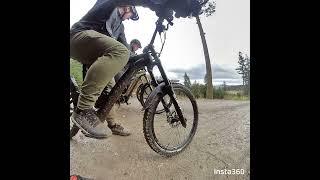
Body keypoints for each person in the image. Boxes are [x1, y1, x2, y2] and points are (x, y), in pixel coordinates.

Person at [70, 0, 204, 139]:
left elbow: (127, 51)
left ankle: (110, 123)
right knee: (120, 52)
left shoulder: (120, 28)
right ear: (128, 7)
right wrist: (164, 3)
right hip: (77, 37)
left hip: (95, 55)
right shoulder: (109, 4)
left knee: (111, 90)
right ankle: (82, 110)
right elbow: (122, 51)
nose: (128, 19)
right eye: (131, 15)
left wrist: (141, 56)